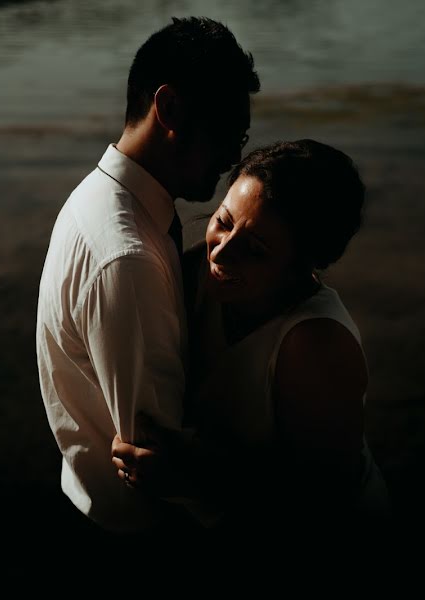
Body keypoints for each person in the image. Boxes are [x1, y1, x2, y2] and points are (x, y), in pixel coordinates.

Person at [36, 17, 260, 534]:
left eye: (242, 137)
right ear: (169, 109)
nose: (234, 157)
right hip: (142, 535)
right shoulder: (127, 257)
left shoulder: (96, 199)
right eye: (227, 133)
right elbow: (160, 460)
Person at [111, 140, 390, 536]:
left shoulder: (316, 344)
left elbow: (323, 499)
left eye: (255, 250)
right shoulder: (195, 276)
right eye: (223, 221)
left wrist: (189, 480)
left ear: (303, 266)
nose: (221, 253)